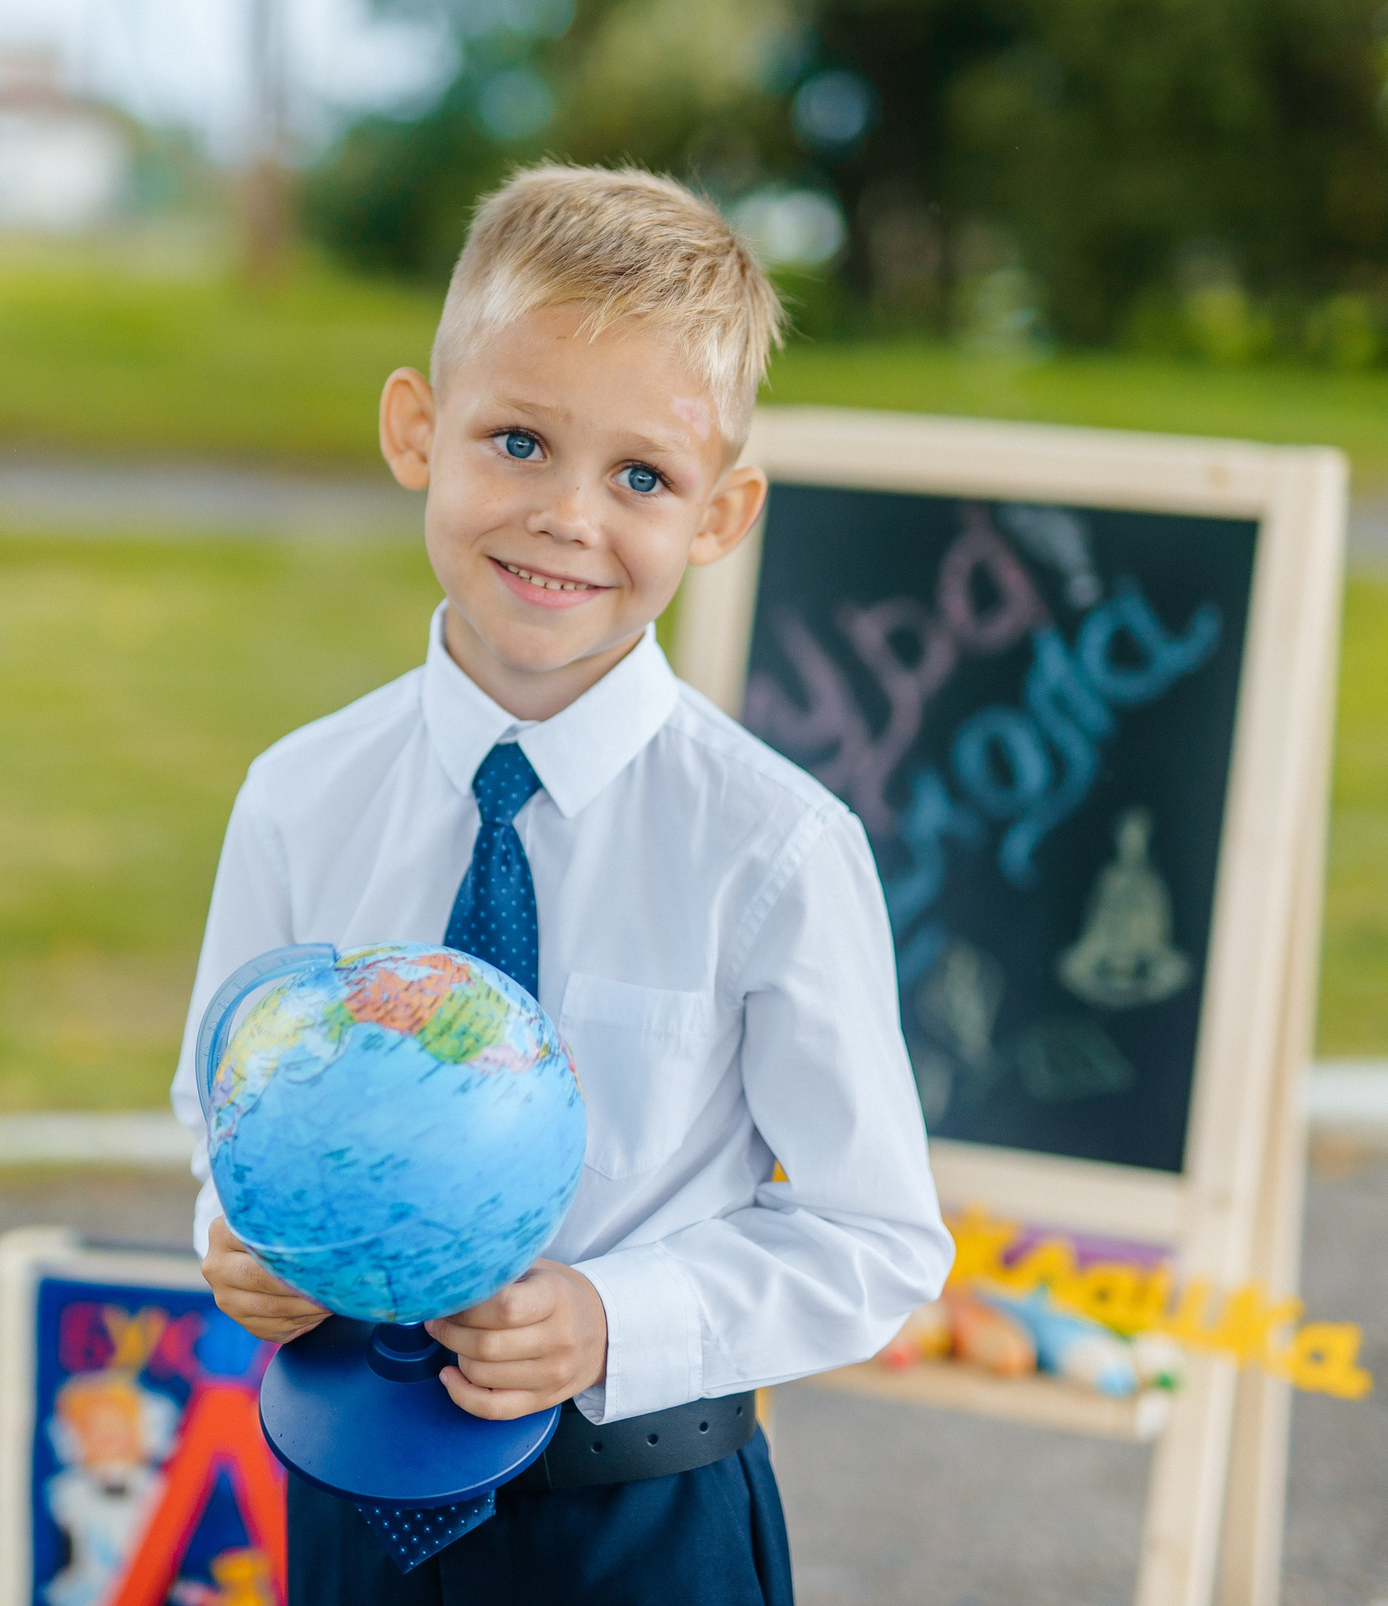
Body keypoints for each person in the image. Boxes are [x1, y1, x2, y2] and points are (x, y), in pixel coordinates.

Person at [168, 164, 951, 1604]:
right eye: (519, 441)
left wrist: (609, 1317)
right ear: (418, 430)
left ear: (721, 515)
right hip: (349, 1503)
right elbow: (221, 1098)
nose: (568, 516)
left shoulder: (775, 847)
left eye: (642, 476)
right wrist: (236, 1230)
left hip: (642, 1520)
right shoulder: (299, 796)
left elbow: (875, 1238)